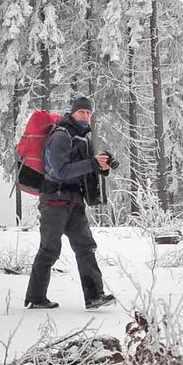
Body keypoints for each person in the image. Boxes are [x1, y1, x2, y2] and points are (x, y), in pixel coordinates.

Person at [24, 96, 117, 310]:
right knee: (49, 250)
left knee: (86, 247)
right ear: (72, 113)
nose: (86, 116)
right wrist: (91, 163)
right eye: (82, 112)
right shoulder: (60, 136)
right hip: (54, 202)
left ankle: (94, 296)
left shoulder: (83, 137)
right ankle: (35, 298)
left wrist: (100, 166)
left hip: (74, 202)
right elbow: (59, 171)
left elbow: (83, 167)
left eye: (88, 113)